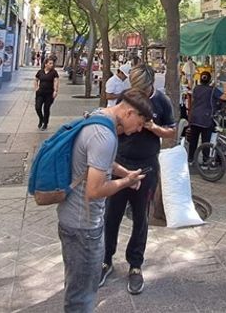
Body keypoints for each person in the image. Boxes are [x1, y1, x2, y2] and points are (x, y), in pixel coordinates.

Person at [57, 90, 152, 313]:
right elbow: (95, 190)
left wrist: (125, 173)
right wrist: (125, 183)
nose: (139, 130)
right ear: (129, 113)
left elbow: (100, 162)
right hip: (83, 226)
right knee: (82, 296)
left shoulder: (99, 117)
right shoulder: (105, 136)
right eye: (140, 124)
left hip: (75, 219)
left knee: (77, 285)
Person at [102, 65, 176, 296]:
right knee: (111, 214)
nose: (139, 94)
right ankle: (105, 260)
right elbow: (114, 127)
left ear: (151, 84)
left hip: (147, 166)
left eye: (142, 89)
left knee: (141, 217)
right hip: (121, 162)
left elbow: (172, 131)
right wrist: (128, 127)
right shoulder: (127, 98)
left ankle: (135, 264)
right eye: (135, 88)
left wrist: (153, 127)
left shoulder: (162, 101)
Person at [187, 71, 221, 162]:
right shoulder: (213, 90)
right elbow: (224, 97)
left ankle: (190, 159)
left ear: (200, 80)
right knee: (206, 141)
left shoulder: (196, 88)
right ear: (210, 80)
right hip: (206, 119)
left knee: (193, 140)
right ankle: (205, 160)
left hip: (194, 117)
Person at [35, 58, 60, 130]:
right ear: (45, 64)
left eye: (52, 63)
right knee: (38, 107)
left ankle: (45, 123)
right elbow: (36, 80)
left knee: (46, 108)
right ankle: (41, 119)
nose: (51, 65)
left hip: (49, 94)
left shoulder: (54, 72)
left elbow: (56, 81)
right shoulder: (40, 72)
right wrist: (36, 88)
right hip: (40, 93)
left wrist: (55, 91)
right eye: (50, 63)